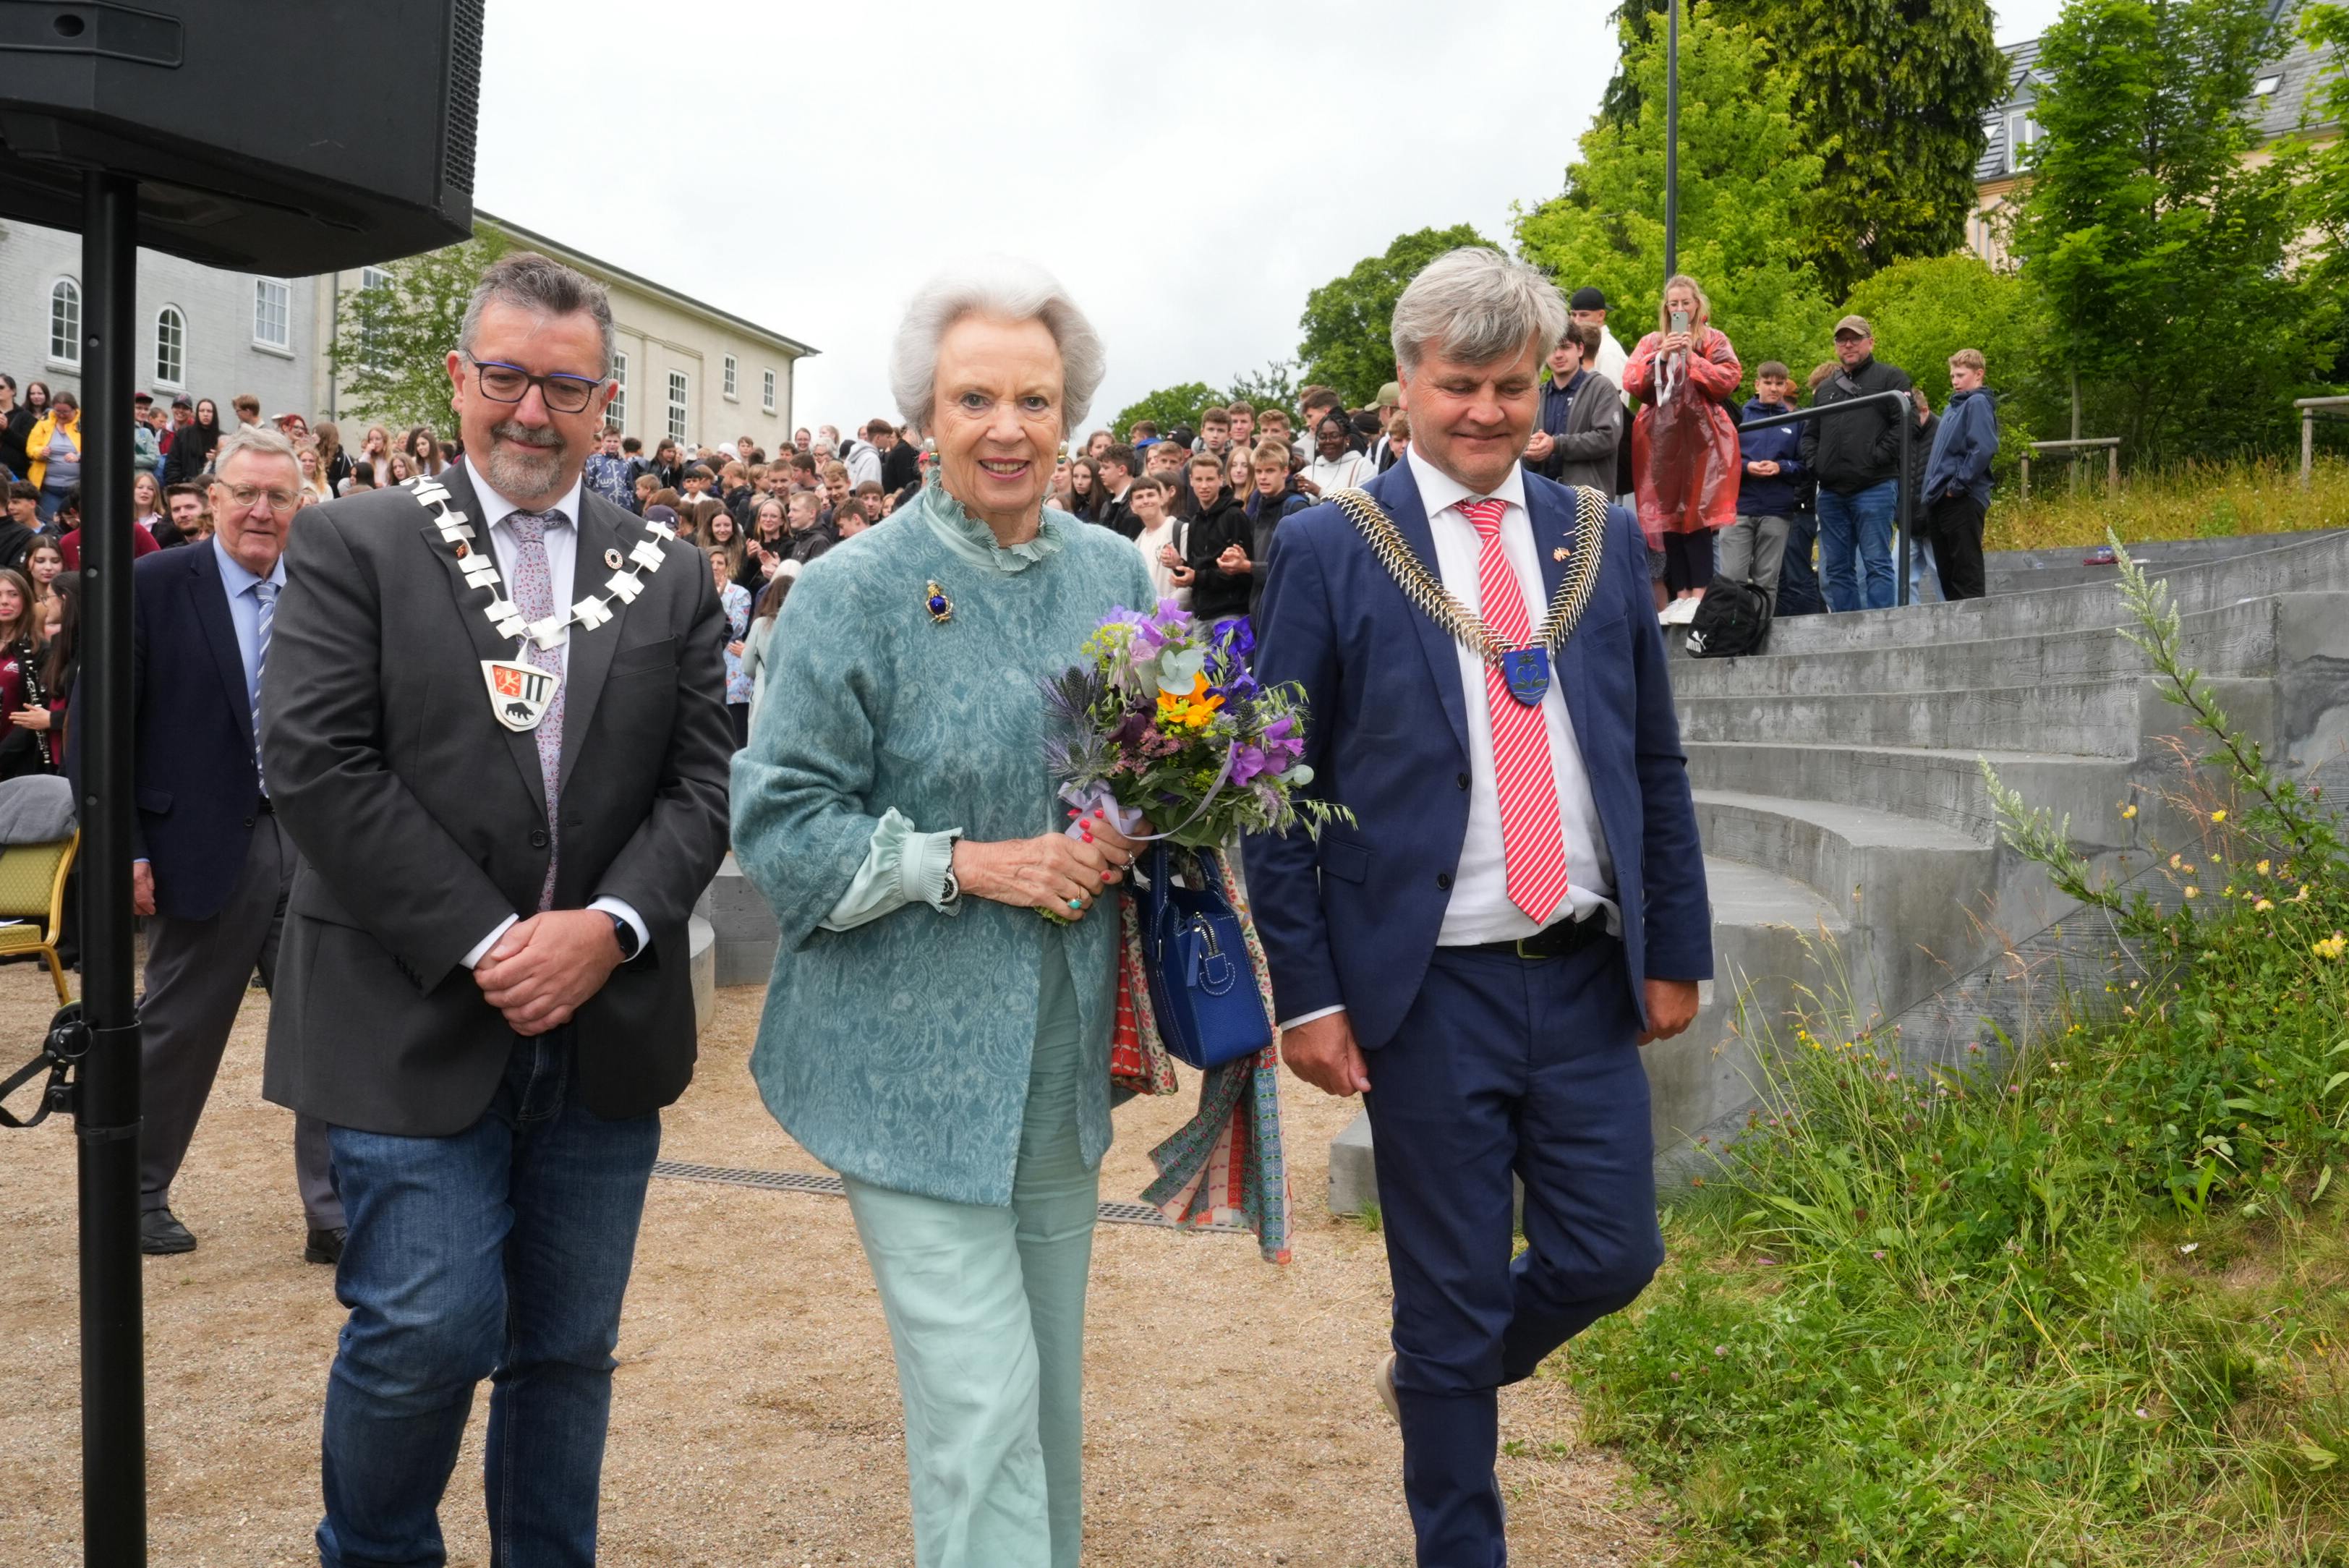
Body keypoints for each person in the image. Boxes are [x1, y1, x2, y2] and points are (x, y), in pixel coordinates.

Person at [258, 252, 733, 1563]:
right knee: (425, 1329)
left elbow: (700, 786)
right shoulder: (355, 538)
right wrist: (487, 939)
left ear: (606, 401)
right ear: (460, 380)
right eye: (508, 377)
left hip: (603, 1029)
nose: (533, 411)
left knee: (565, 1353)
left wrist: (610, 927)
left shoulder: (670, 572)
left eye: (565, 386)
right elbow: (313, 761)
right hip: (406, 1015)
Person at [1245, 248, 1710, 1568]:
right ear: (1406, 382)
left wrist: (1673, 943)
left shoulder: (1599, 537)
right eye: (1458, 385)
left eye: (1510, 387)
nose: (1487, 413)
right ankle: (1459, 1531)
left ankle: (1438, 1380)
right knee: (1443, 1300)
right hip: (1423, 988)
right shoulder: (1330, 546)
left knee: (1610, 1252)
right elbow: (1274, 783)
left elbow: (1651, 759)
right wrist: (1312, 992)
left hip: (1577, 971)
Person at [731, 256, 1154, 1568]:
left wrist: (1137, 822)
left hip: (1054, 1051)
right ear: (925, 412)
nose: (1009, 427)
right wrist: (970, 861)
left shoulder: (1116, 575)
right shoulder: (854, 587)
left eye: (1036, 398)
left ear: (1071, 414)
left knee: (1043, 1393)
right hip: (899, 1056)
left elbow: (1159, 764)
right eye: (976, 397)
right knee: (978, 1399)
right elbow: (781, 823)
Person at [59, 425, 346, 1257]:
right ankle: (135, 1191)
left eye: (279, 496)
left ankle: (333, 1213)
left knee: (327, 1026)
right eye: (245, 493)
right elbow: (95, 731)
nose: (261, 510)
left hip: (319, 844)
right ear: (210, 498)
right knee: (177, 1030)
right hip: (198, 847)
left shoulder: (329, 589)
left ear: (302, 504)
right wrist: (128, 848)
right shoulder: (150, 585)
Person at [1621, 274, 1742, 608]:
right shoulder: (1651, 342)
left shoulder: (1714, 340)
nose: (1679, 308)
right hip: (1660, 443)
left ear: (1697, 305)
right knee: (1668, 518)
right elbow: (1632, 381)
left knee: (1697, 516)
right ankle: (1682, 593)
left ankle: (1701, 593)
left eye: (1685, 303)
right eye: (1673, 304)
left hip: (1703, 442)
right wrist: (1660, 358)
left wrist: (1693, 358)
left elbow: (1728, 379)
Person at [1799, 315, 1912, 612]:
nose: (1848, 344)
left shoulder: (1892, 378)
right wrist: (1816, 464)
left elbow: (1905, 425)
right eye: (1842, 339)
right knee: (1836, 568)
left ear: (1870, 342)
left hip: (1874, 486)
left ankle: (1882, 626)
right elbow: (1809, 434)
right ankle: (1846, 628)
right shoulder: (1825, 390)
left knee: (1877, 562)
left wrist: (1875, 458)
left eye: (1855, 338)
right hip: (1833, 492)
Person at [1719, 362, 1807, 603]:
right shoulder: (1737, 417)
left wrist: (1782, 467)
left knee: (1767, 582)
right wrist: (1747, 468)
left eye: (1780, 383)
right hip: (1738, 508)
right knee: (1731, 580)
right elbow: (1720, 461)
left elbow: (1805, 466)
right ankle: (1731, 638)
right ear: (1757, 384)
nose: (1774, 388)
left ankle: (1761, 635)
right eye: (1768, 382)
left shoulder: (1796, 421)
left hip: (1777, 510)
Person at [1921, 349, 1998, 602]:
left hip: (1961, 498)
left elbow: (1983, 448)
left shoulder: (1977, 403)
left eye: (1961, 375)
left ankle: (1973, 628)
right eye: (1952, 375)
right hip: (1940, 499)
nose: (1955, 381)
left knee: (1965, 571)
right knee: (1948, 573)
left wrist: (1957, 486)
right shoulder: (1953, 408)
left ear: (1979, 375)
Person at [1525, 321, 1622, 494]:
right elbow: (1522, 447)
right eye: (1553, 349)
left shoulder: (1601, 388)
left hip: (1588, 501)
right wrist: (1530, 455)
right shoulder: (1537, 395)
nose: (1558, 355)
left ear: (1580, 349)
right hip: (1543, 495)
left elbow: (1607, 438)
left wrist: (1556, 444)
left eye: (1565, 347)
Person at [1235, 437, 1310, 623]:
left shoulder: (1297, 508)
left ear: (1285, 471)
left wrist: (1248, 566)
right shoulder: (1258, 507)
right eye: (1259, 471)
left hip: (1288, 615)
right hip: (1259, 611)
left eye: (1270, 471)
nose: (1262, 477)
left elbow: (1297, 569)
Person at [739, 563, 793, 730]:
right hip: (794, 692)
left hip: (764, 690)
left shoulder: (761, 624)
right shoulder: (803, 625)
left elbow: (747, 667)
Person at [1130, 472, 1191, 606]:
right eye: (1139, 497)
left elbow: (1190, 583)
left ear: (1162, 499)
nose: (1146, 501)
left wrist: (1163, 611)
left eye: (1151, 495)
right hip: (1148, 622)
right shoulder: (1136, 545)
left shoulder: (1181, 531)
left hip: (1179, 623)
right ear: (1132, 506)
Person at [712, 545, 753, 747]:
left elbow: (736, 628)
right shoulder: (694, 592)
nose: (715, 567)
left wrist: (716, 598)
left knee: (736, 740)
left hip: (733, 679)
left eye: (720, 563)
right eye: (711, 563)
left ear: (727, 567)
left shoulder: (740, 594)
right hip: (708, 673)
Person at [25, 389, 82, 524]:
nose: (61, 415)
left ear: (74, 409)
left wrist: (78, 456)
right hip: (50, 488)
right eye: (58, 411)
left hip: (76, 489)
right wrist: (40, 452)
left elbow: (96, 449)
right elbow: (30, 448)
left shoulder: (84, 424)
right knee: (49, 523)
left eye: (65, 412)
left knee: (74, 524)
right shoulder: (44, 423)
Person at [1566, 285, 1632, 391]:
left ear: (1601, 315)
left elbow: (1613, 401)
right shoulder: (1580, 346)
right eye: (1573, 315)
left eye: (1584, 315)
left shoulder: (1608, 352)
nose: (1577, 321)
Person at [1300, 412, 1374, 496]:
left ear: (1347, 439)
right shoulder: (1307, 472)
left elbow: (1363, 505)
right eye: (1322, 437)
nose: (1328, 441)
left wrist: (1319, 492)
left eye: (1334, 436)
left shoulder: (1362, 465)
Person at [161, 396, 223, 488]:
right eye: (202, 411)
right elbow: (172, 464)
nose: (205, 414)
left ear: (214, 414)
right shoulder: (183, 434)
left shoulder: (222, 438)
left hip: (212, 489)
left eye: (209, 411)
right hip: (186, 488)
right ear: (197, 413)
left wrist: (218, 459)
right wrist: (175, 487)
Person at [582, 425, 634, 511]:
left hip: (622, 509)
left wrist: (629, 503)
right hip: (601, 509)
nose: (612, 444)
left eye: (615, 441)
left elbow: (630, 488)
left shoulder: (625, 464)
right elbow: (587, 485)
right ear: (603, 442)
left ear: (620, 443)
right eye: (609, 441)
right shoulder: (594, 460)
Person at [0, 375, 30, 481]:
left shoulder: (25, 416)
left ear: (13, 391)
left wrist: (6, 429)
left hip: (15, 473)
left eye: (1, 387)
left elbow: (27, 446)